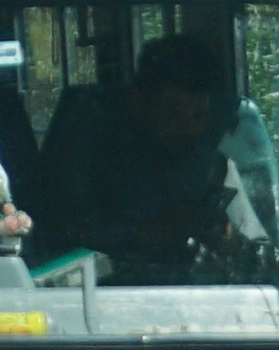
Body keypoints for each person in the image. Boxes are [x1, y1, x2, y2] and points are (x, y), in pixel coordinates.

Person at [45, 30, 257, 280]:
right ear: (139, 102)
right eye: (171, 115)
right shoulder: (88, 164)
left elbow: (258, 251)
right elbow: (59, 242)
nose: (187, 129)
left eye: (198, 117)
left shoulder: (216, 168)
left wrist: (227, 237)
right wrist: (150, 232)